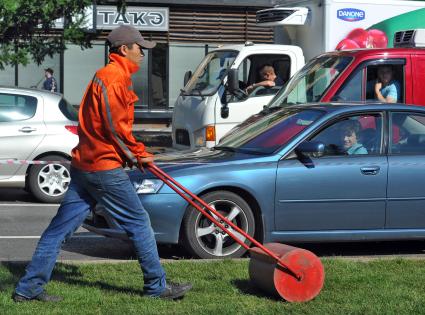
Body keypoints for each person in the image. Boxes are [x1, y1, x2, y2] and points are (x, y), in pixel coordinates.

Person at [13, 25, 192, 303]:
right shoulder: (113, 78)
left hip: (87, 166)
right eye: (139, 47)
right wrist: (138, 153)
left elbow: (109, 126)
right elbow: (115, 126)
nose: (143, 53)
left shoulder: (111, 76)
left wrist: (132, 154)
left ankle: (28, 289)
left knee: (59, 230)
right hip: (102, 167)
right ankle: (157, 287)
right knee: (139, 222)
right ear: (124, 50)